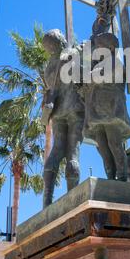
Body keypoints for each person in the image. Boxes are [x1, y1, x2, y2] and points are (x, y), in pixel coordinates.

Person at [81, 31, 130, 181]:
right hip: (97, 112)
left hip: (111, 110)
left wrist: (88, 77)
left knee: (114, 143)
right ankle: (110, 177)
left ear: (110, 48)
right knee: (103, 147)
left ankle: (122, 176)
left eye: (99, 47)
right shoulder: (97, 66)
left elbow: (97, 77)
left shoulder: (114, 63)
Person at [42, 29, 85, 208]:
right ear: (60, 40)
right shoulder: (71, 55)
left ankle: (47, 202)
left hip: (57, 113)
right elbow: (83, 76)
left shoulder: (48, 68)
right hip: (74, 109)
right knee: (73, 153)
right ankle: (72, 201)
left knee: (56, 151)